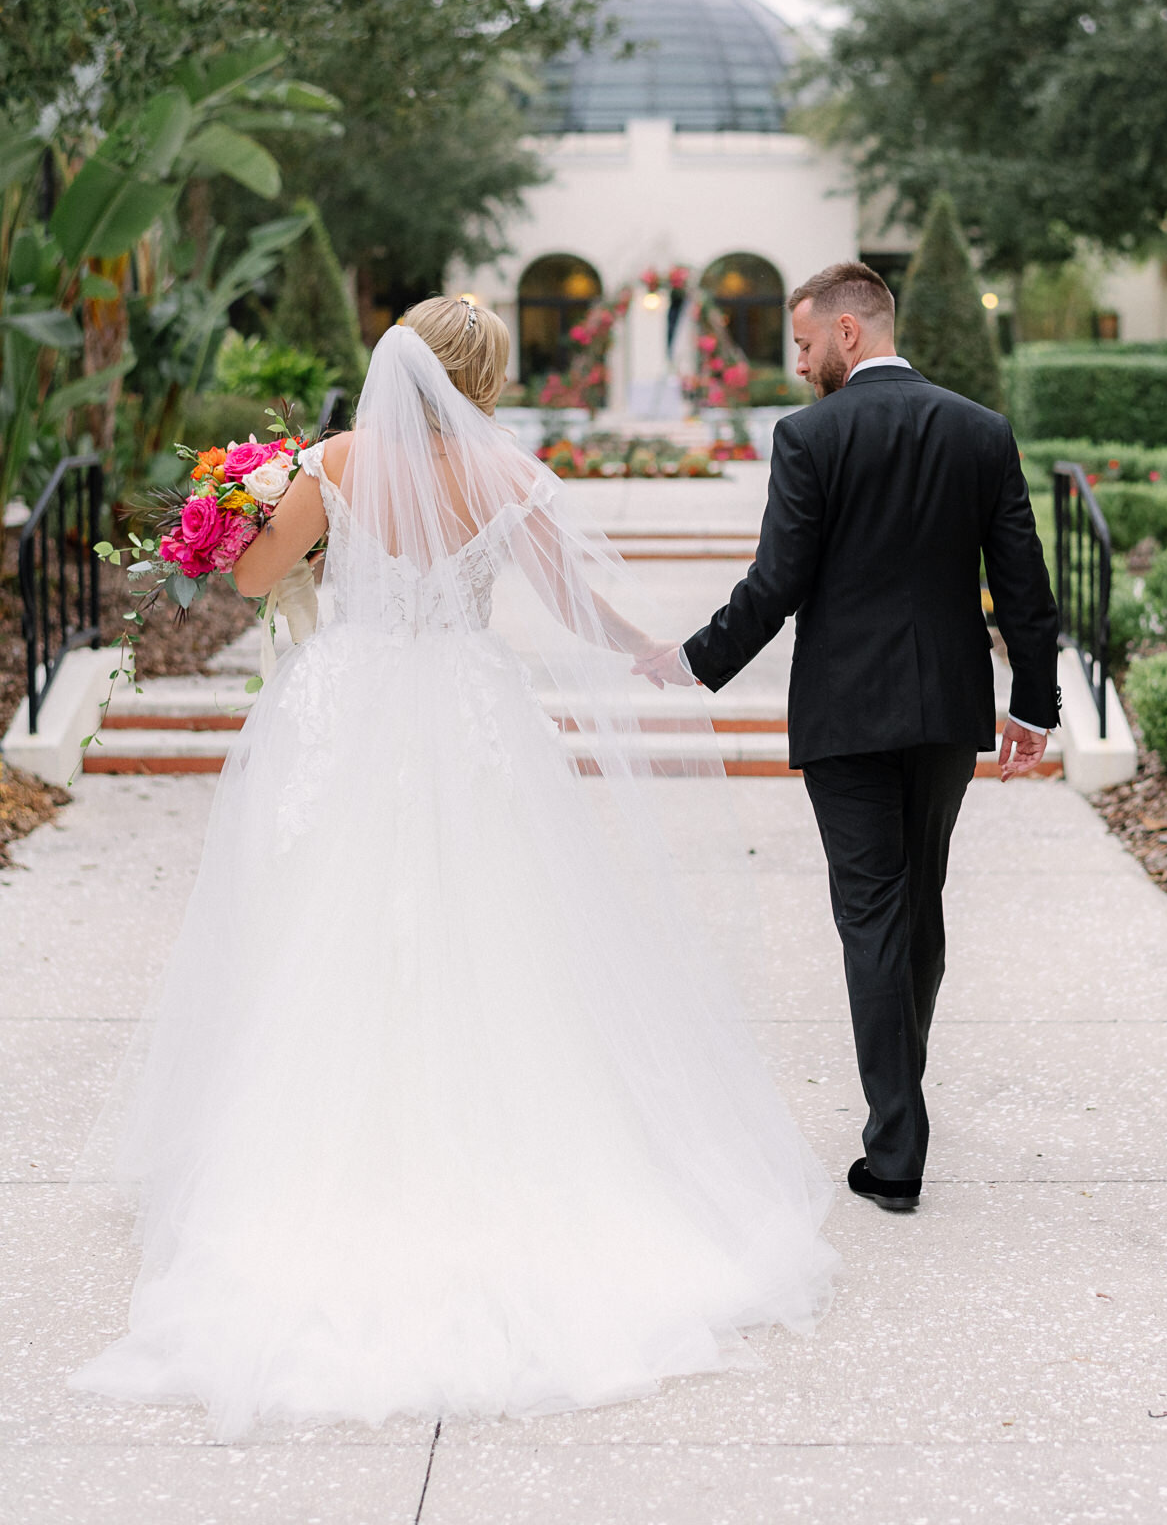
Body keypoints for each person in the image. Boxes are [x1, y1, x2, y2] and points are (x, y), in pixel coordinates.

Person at [71, 298, 836, 1437]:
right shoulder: (506, 476)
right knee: (500, 930)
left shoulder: (330, 460)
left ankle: (296, 1161)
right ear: (481, 375)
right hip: (469, 707)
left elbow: (242, 583)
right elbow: (577, 608)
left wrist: (243, 513)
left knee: (322, 927)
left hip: (348, 704)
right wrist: (653, 653)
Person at [635, 262, 1059, 1215]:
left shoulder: (809, 437)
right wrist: (1032, 703)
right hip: (948, 709)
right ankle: (899, 1110)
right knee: (920, 902)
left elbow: (776, 584)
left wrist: (695, 660)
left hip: (846, 715)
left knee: (874, 913)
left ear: (850, 334)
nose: (798, 361)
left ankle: (895, 1148)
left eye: (803, 342)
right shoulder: (980, 431)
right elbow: (1022, 583)